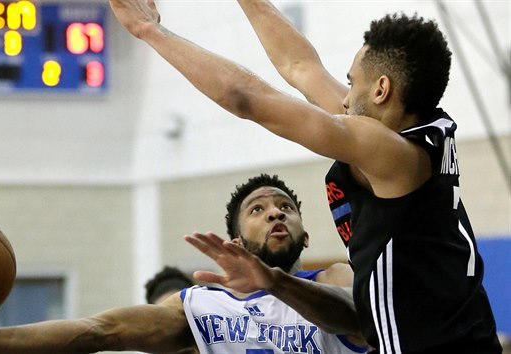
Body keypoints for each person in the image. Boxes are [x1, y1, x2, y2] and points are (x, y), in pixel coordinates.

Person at [107, 1, 501, 353]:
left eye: (351, 83)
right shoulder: (412, 131)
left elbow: (247, 100)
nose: (344, 98)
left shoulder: (394, 155)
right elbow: (300, 67)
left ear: (381, 89)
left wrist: (151, 32)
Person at [0, 174, 366, 353]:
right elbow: (98, 331)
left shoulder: (334, 279)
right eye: (258, 210)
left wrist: (277, 284)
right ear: (236, 240)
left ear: (304, 231)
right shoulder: (202, 306)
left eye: (285, 207)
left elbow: (355, 318)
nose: (275, 213)